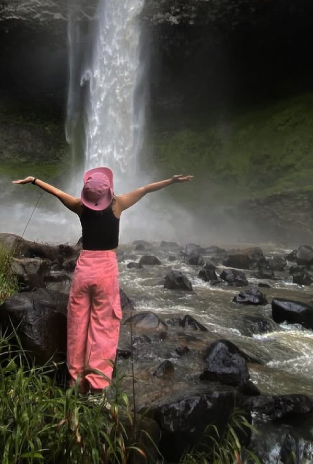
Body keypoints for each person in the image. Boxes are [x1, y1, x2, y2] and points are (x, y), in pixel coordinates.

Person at [12, 166, 193, 395]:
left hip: (84, 270)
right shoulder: (118, 205)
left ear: (87, 195)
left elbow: (57, 193)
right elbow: (146, 189)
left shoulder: (79, 207)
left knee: (77, 324)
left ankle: (74, 382)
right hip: (106, 271)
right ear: (108, 191)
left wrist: (34, 179)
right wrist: (172, 180)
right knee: (103, 326)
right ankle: (97, 386)